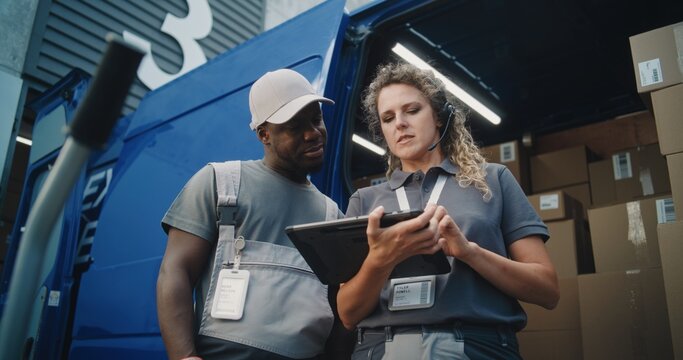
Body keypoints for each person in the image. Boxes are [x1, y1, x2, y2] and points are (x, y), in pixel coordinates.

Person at [337, 62, 560, 359]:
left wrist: (469, 252)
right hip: (382, 347)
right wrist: (380, 260)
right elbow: (348, 314)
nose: (399, 123)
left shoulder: (493, 180)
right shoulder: (364, 201)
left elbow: (547, 290)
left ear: (439, 117)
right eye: (387, 118)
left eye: (412, 110)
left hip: (478, 346)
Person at [157, 68, 350, 360]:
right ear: (264, 134)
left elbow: (339, 309)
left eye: (316, 119)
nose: (313, 133)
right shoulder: (220, 184)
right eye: (295, 126)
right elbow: (175, 271)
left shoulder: (332, 213)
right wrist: (183, 356)